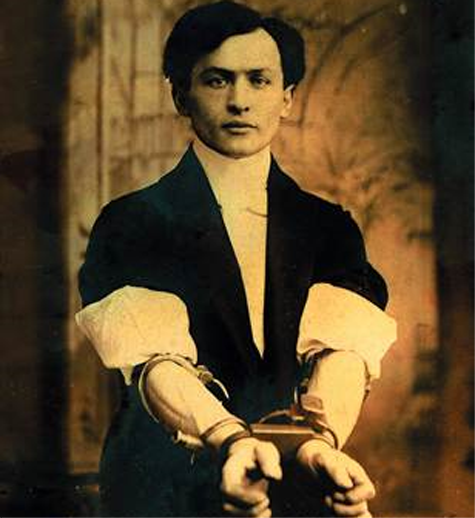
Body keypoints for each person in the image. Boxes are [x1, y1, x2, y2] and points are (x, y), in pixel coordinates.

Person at [76, 1, 397, 516]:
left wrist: (319, 443)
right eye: (217, 80)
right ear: (180, 95)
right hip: (165, 492)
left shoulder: (330, 226)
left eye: (259, 81)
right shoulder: (131, 221)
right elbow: (156, 362)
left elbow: (343, 352)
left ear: (286, 98)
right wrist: (229, 438)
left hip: (294, 479)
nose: (240, 101)